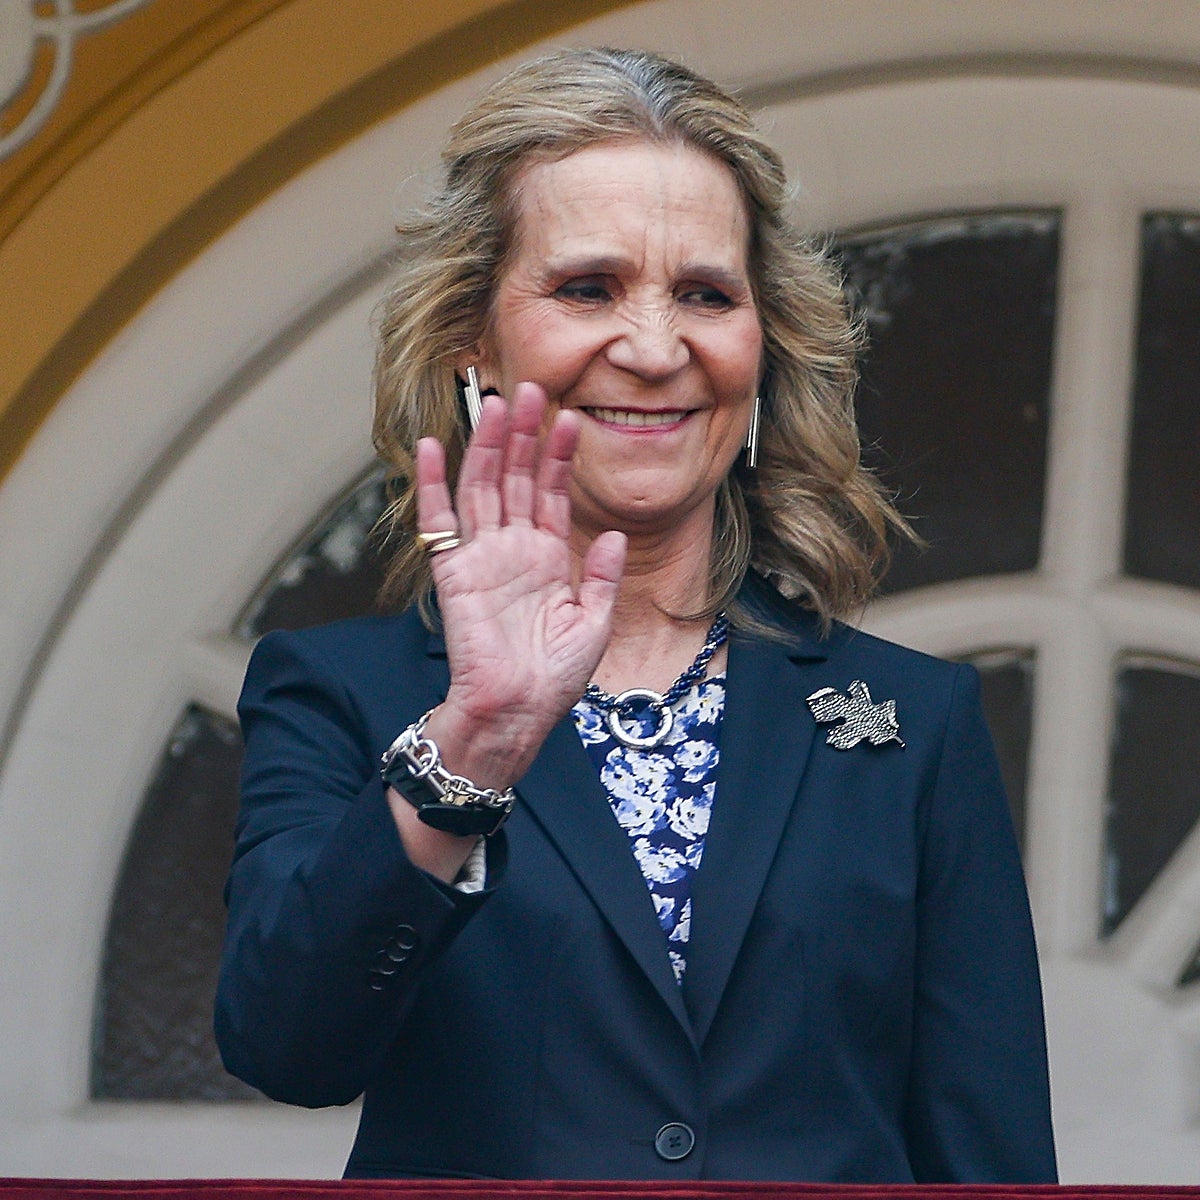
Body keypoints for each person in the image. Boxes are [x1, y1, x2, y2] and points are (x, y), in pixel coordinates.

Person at [215, 46, 1056, 1182]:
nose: (657, 350)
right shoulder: (342, 694)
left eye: (706, 294)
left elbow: (992, 1161)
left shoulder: (916, 721)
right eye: (588, 289)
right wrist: (477, 741)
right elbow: (285, 1044)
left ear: (763, 345)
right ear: (473, 342)